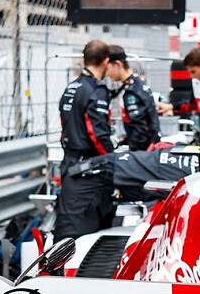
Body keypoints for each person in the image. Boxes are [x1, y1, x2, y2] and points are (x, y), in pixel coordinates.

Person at [55, 40, 114, 241]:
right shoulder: (96, 90)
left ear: (83, 60)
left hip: (68, 163)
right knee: (87, 232)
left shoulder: (70, 87)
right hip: (88, 170)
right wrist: (112, 159)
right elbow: (97, 134)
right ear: (106, 61)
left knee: (67, 225)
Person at [107, 46, 160, 153]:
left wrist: (133, 152)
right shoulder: (133, 84)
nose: (107, 74)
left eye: (107, 69)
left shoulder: (132, 90)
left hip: (143, 153)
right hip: (147, 149)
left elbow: (140, 129)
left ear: (118, 64)